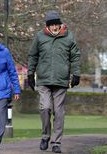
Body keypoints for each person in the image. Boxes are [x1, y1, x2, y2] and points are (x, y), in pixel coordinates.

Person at [27, 10, 81, 153]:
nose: (55, 27)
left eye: (57, 24)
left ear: (60, 24)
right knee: (45, 108)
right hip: (44, 80)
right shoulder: (40, 37)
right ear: (48, 26)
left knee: (59, 112)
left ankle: (56, 142)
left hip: (61, 80)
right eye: (52, 25)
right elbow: (33, 56)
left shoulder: (69, 37)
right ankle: (45, 136)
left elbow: (75, 56)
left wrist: (76, 74)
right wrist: (30, 74)